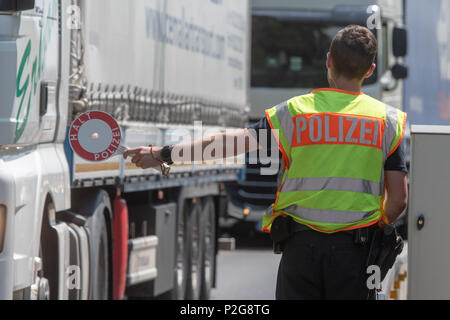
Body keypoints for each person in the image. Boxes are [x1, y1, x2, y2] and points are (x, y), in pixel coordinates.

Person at [124, 25, 408, 300]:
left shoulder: (296, 112)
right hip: (356, 253)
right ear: (370, 71)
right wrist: (372, 226)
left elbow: (227, 144)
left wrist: (163, 154)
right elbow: (398, 201)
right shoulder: (388, 121)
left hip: (301, 250)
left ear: (328, 61)